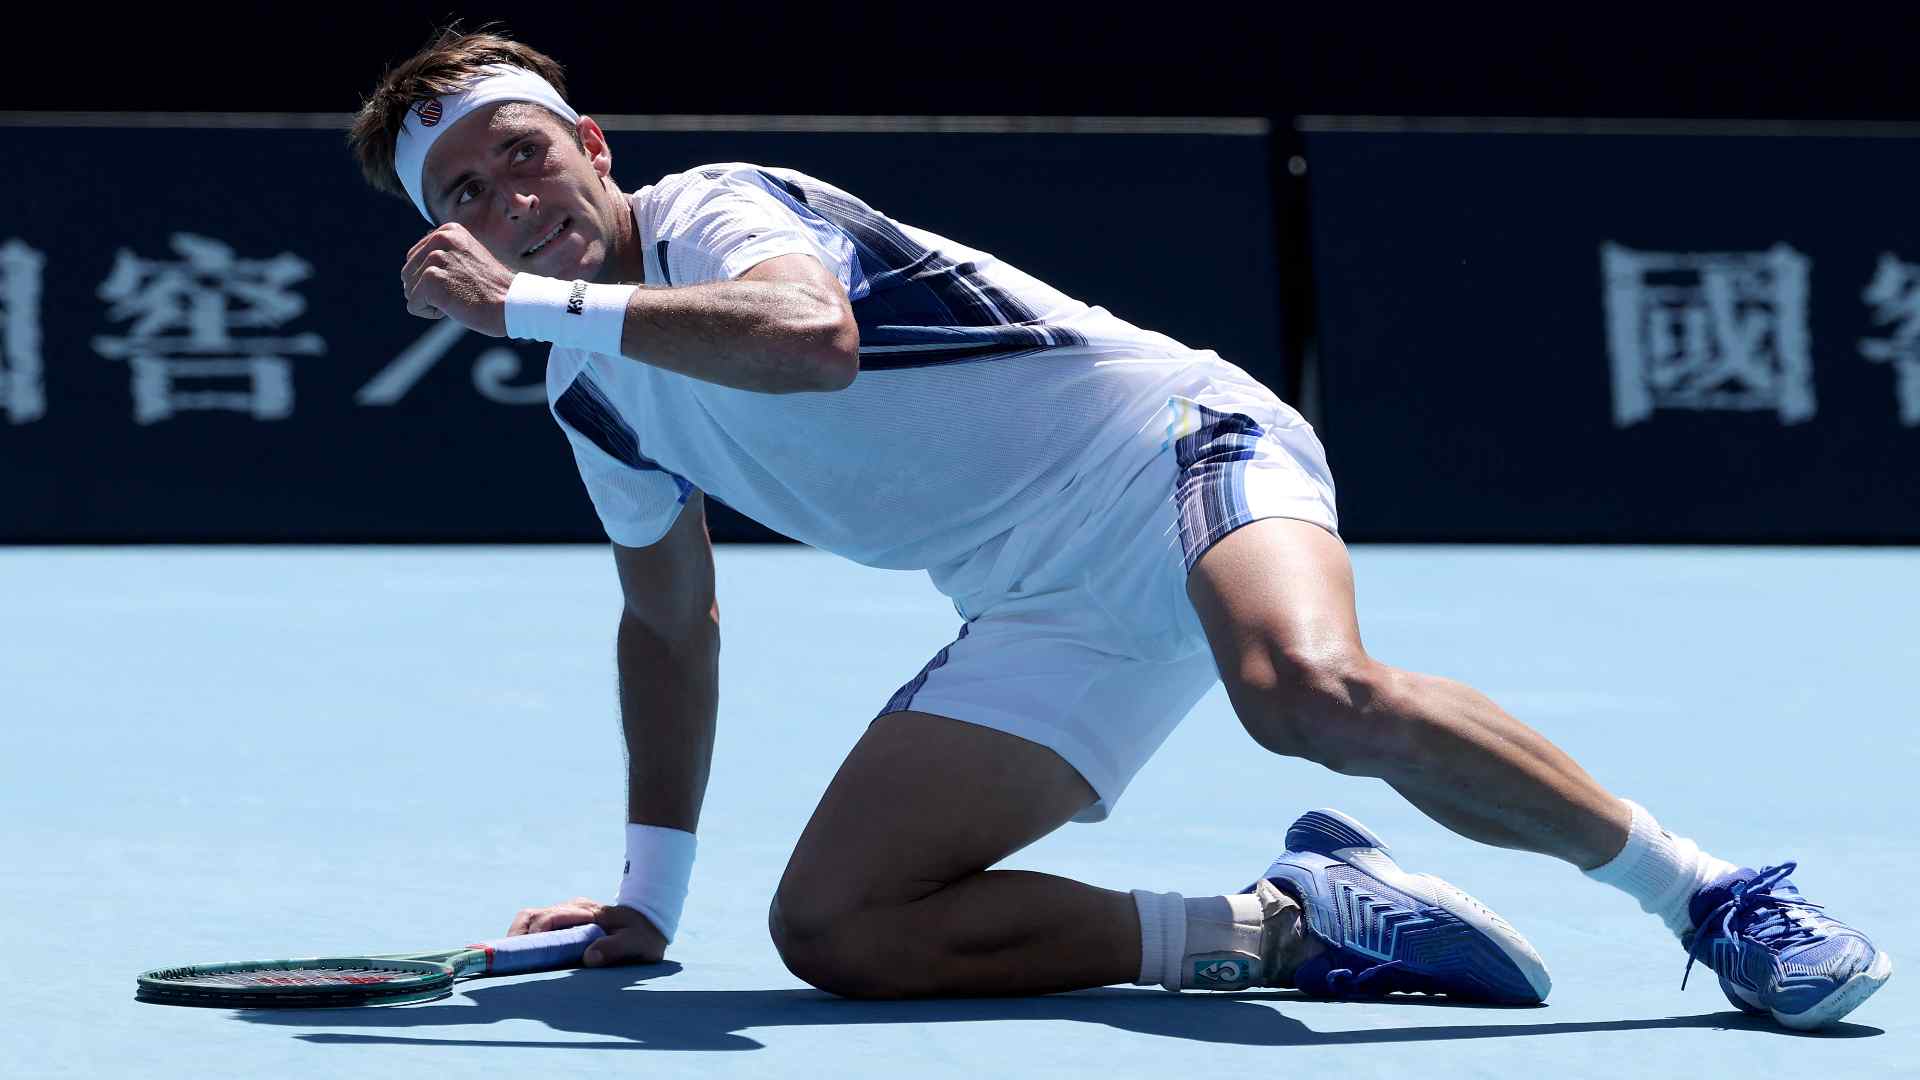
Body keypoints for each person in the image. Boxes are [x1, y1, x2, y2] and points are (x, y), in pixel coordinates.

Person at [347, 27, 1890, 1028]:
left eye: (525, 154)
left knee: (1308, 697)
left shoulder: (720, 210)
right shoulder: (597, 397)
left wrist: (541, 305)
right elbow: (670, 622)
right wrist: (646, 898)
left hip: (1173, 453)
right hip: (1036, 603)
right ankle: (1291, 926)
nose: (513, 197)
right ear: (445, 232)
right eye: (468, 192)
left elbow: (807, 337)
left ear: (593, 145)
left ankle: (1711, 896)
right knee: (840, 925)